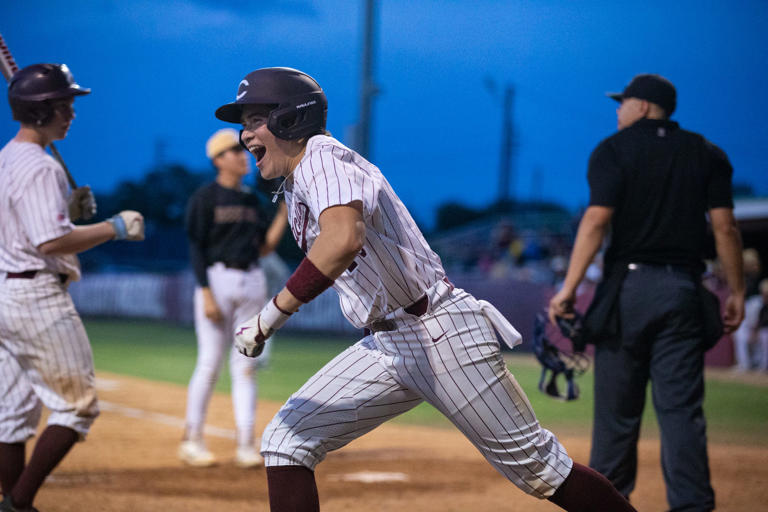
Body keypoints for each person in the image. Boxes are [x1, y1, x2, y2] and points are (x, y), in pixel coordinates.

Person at [216, 67, 635, 512]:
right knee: (286, 440)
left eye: (254, 120)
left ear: (290, 119)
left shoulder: (321, 156)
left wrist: (270, 316)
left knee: (540, 469)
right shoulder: (302, 178)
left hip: (439, 334)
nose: (245, 136)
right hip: (389, 343)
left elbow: (342, 239)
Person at [549, 73, 745, 511]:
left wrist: (568, 289)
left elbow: (597, 220)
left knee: (617, 418)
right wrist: (735, 290)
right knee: (682, 416)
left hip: (628, 291)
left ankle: (610, 507)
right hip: (683, 290)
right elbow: (725, 227)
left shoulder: (612, 149)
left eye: (623, 102)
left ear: (642, 106)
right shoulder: (707, 152)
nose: (617, 110)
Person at [0, 63, 145, 512]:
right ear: (42, 110)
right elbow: (50, 241)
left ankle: (10, 500)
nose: (72, 113)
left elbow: (25, 225)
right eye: (64, 104)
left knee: (11, 413)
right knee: (76, 407)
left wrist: (65, 206)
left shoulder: (7, 158)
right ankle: (18, 504)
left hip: (5, 296)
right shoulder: (42, 168)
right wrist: (113, 226)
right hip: (35, 298)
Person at [179, 128, 288, 468]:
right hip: (217, 278)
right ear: (217, 160)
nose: (243, 156)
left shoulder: (252, 199)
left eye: (242, 151)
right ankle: (192, 439)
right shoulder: (204, 198)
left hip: (252, 279)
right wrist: (206, 293)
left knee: (246, 367)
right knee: (209, 364)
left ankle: (245, 444)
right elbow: (196, 248)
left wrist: (284, 212)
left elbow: (265, 247)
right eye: (234, 152)